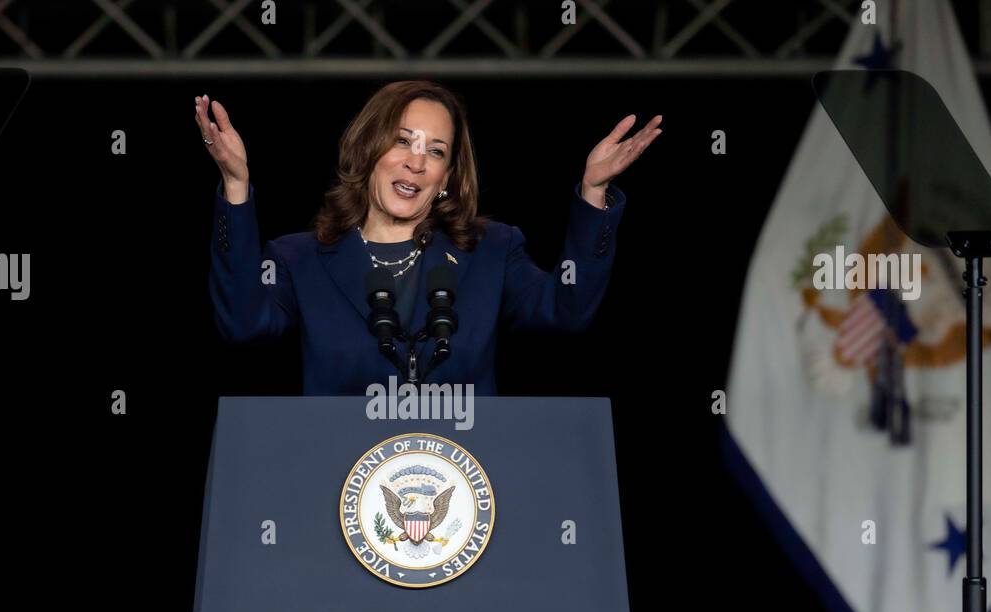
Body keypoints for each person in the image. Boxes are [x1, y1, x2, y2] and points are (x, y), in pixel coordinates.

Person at [197, 80, 660, 395]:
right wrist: (236, 187)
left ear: (446, 177)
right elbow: (242, 324)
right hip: (335, 487)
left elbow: (567, 312)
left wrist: (593, 192)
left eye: (435, 151)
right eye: (402, 141)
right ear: (367, 150)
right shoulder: (298, 257)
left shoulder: (492, 250)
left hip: (463, 496)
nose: (416, 163)